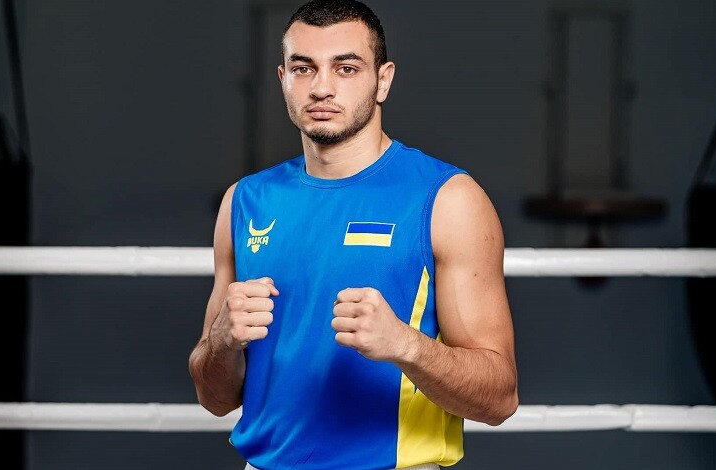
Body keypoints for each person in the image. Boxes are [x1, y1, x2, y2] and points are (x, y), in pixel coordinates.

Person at [189, 1, 518, 468]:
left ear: (383, 80)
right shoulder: (244, 201)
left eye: (346, 68)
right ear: (283, 78)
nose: (321, 87)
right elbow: (215, 398)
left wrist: (405, 345)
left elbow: (499, 398)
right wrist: (222, 342)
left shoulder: (448, 199)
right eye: (303, 68)